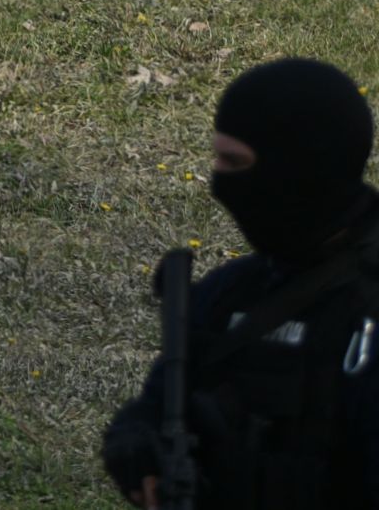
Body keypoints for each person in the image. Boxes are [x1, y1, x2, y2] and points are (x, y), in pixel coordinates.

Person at [102, 56, 377, 507]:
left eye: (234, 162)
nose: (219, 182)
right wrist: (139, 449)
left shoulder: (365, 315)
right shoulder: (233, 292)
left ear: (298, 171)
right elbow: (157, 402)